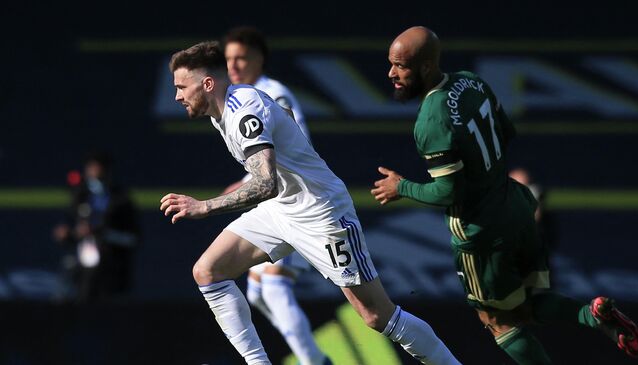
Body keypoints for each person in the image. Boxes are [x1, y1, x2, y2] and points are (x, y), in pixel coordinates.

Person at [161, 40, 461, 365]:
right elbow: (284, 120)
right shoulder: (225, 109)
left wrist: (205, 206)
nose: (177, 95)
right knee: (208, 272)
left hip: (322, 214)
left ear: (207, 84)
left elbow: (265, 183)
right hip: (281, 209)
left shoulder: (242, 110)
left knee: (376, 316)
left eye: (181, 86)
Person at [371, 26, 638, 364]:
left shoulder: (430, 120)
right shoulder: (472, 81)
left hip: (481, 233)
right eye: (391, 64)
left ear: (426, 66)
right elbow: (507, 131)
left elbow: (448, 190)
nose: (391, 73)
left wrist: (402, 187)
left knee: (497, 321)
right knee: (528, 302)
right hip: (516, 207)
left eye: (401, 66)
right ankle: (593, 315)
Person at [222, 26, 328, 365]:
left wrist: (243, 184)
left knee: (275, 289)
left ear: (259, 59)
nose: (233, 65)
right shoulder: (237, 96)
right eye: (228, 59)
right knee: (258, 293)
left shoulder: (273, 93)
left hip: (293, 200)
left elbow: (289, 148)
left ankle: (315, 361)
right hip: (270, 203)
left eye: (241, 57)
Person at [53, 150, 140, 303]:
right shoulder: (79, 196)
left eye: (97, 168)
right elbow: (67, 229)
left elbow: (133, 238)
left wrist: (103, 233)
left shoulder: (120, 200)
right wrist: (70, 234)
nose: (93, 173)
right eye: (90, 168)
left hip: (112, 270)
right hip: (81, 274)